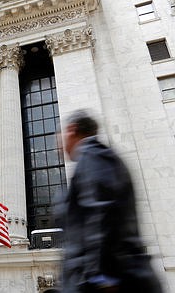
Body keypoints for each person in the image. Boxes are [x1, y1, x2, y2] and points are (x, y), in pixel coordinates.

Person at [58, 110, 163, 293]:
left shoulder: (92, 156)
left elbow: (101, 214)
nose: (59, 143)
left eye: (60, 134)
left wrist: (101, 277)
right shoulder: (101, 157)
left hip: (110, 279)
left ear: (71, 130)